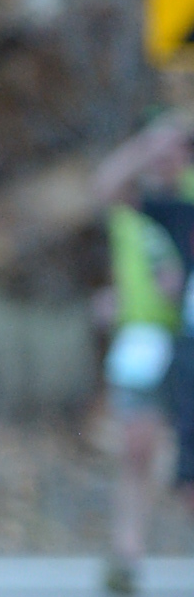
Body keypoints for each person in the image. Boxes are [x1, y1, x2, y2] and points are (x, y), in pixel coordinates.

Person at [91, 104, 194, 572]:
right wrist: (145, 145)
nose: (164, 156)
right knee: (137, 445)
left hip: (187, 336)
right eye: (159, 148)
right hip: (144, 336)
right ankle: (128, 547)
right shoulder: (135, 203)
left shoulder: (187, 199)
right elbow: (103, 186)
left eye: (175, 148)